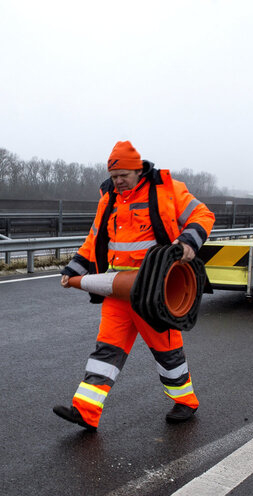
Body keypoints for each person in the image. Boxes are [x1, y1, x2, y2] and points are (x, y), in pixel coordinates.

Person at [54, 141, 216, 431]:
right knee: (106, 350)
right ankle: (86, 411)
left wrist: (189, 242)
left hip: (155, 291)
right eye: (114, 176)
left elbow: (203, 215)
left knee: (167, 353)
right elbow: (94, 240)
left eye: (123, 175)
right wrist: (73, 270)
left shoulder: (166, 189)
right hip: (117, 289)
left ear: (138, 170)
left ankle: (185, 401)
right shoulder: (109, 199)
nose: (118, 181)